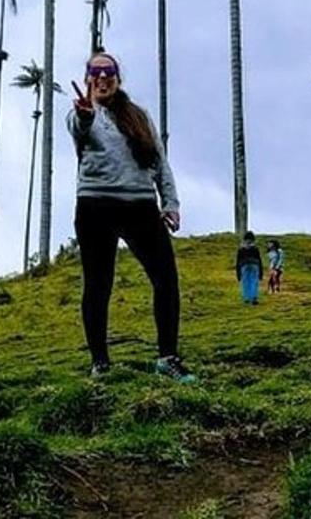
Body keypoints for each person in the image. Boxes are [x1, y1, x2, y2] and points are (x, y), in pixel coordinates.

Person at [68, 51, 195, 383]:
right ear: (87, 79)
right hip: (95, 205)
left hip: (139, 204)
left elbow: (160, 162)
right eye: (95, 72)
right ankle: (100, 363)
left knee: (166, 278)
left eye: (108, 71)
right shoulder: (83, 114)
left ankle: (168, 358)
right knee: (98, 284)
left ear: (117, 78)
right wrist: (83, 115)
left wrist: (170, 202)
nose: (102, 76)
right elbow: (78, 128)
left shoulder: (139, 116)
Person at [235, 231, 263, 305]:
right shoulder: (255, 248)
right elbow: (259, 260)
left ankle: (246, 298)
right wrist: (261, 273)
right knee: (254, 281)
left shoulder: (241, 249)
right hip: (254, 265)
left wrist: (238, 274)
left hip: (244, 265)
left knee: (245, 282)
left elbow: (238, 261)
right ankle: (254, 297)